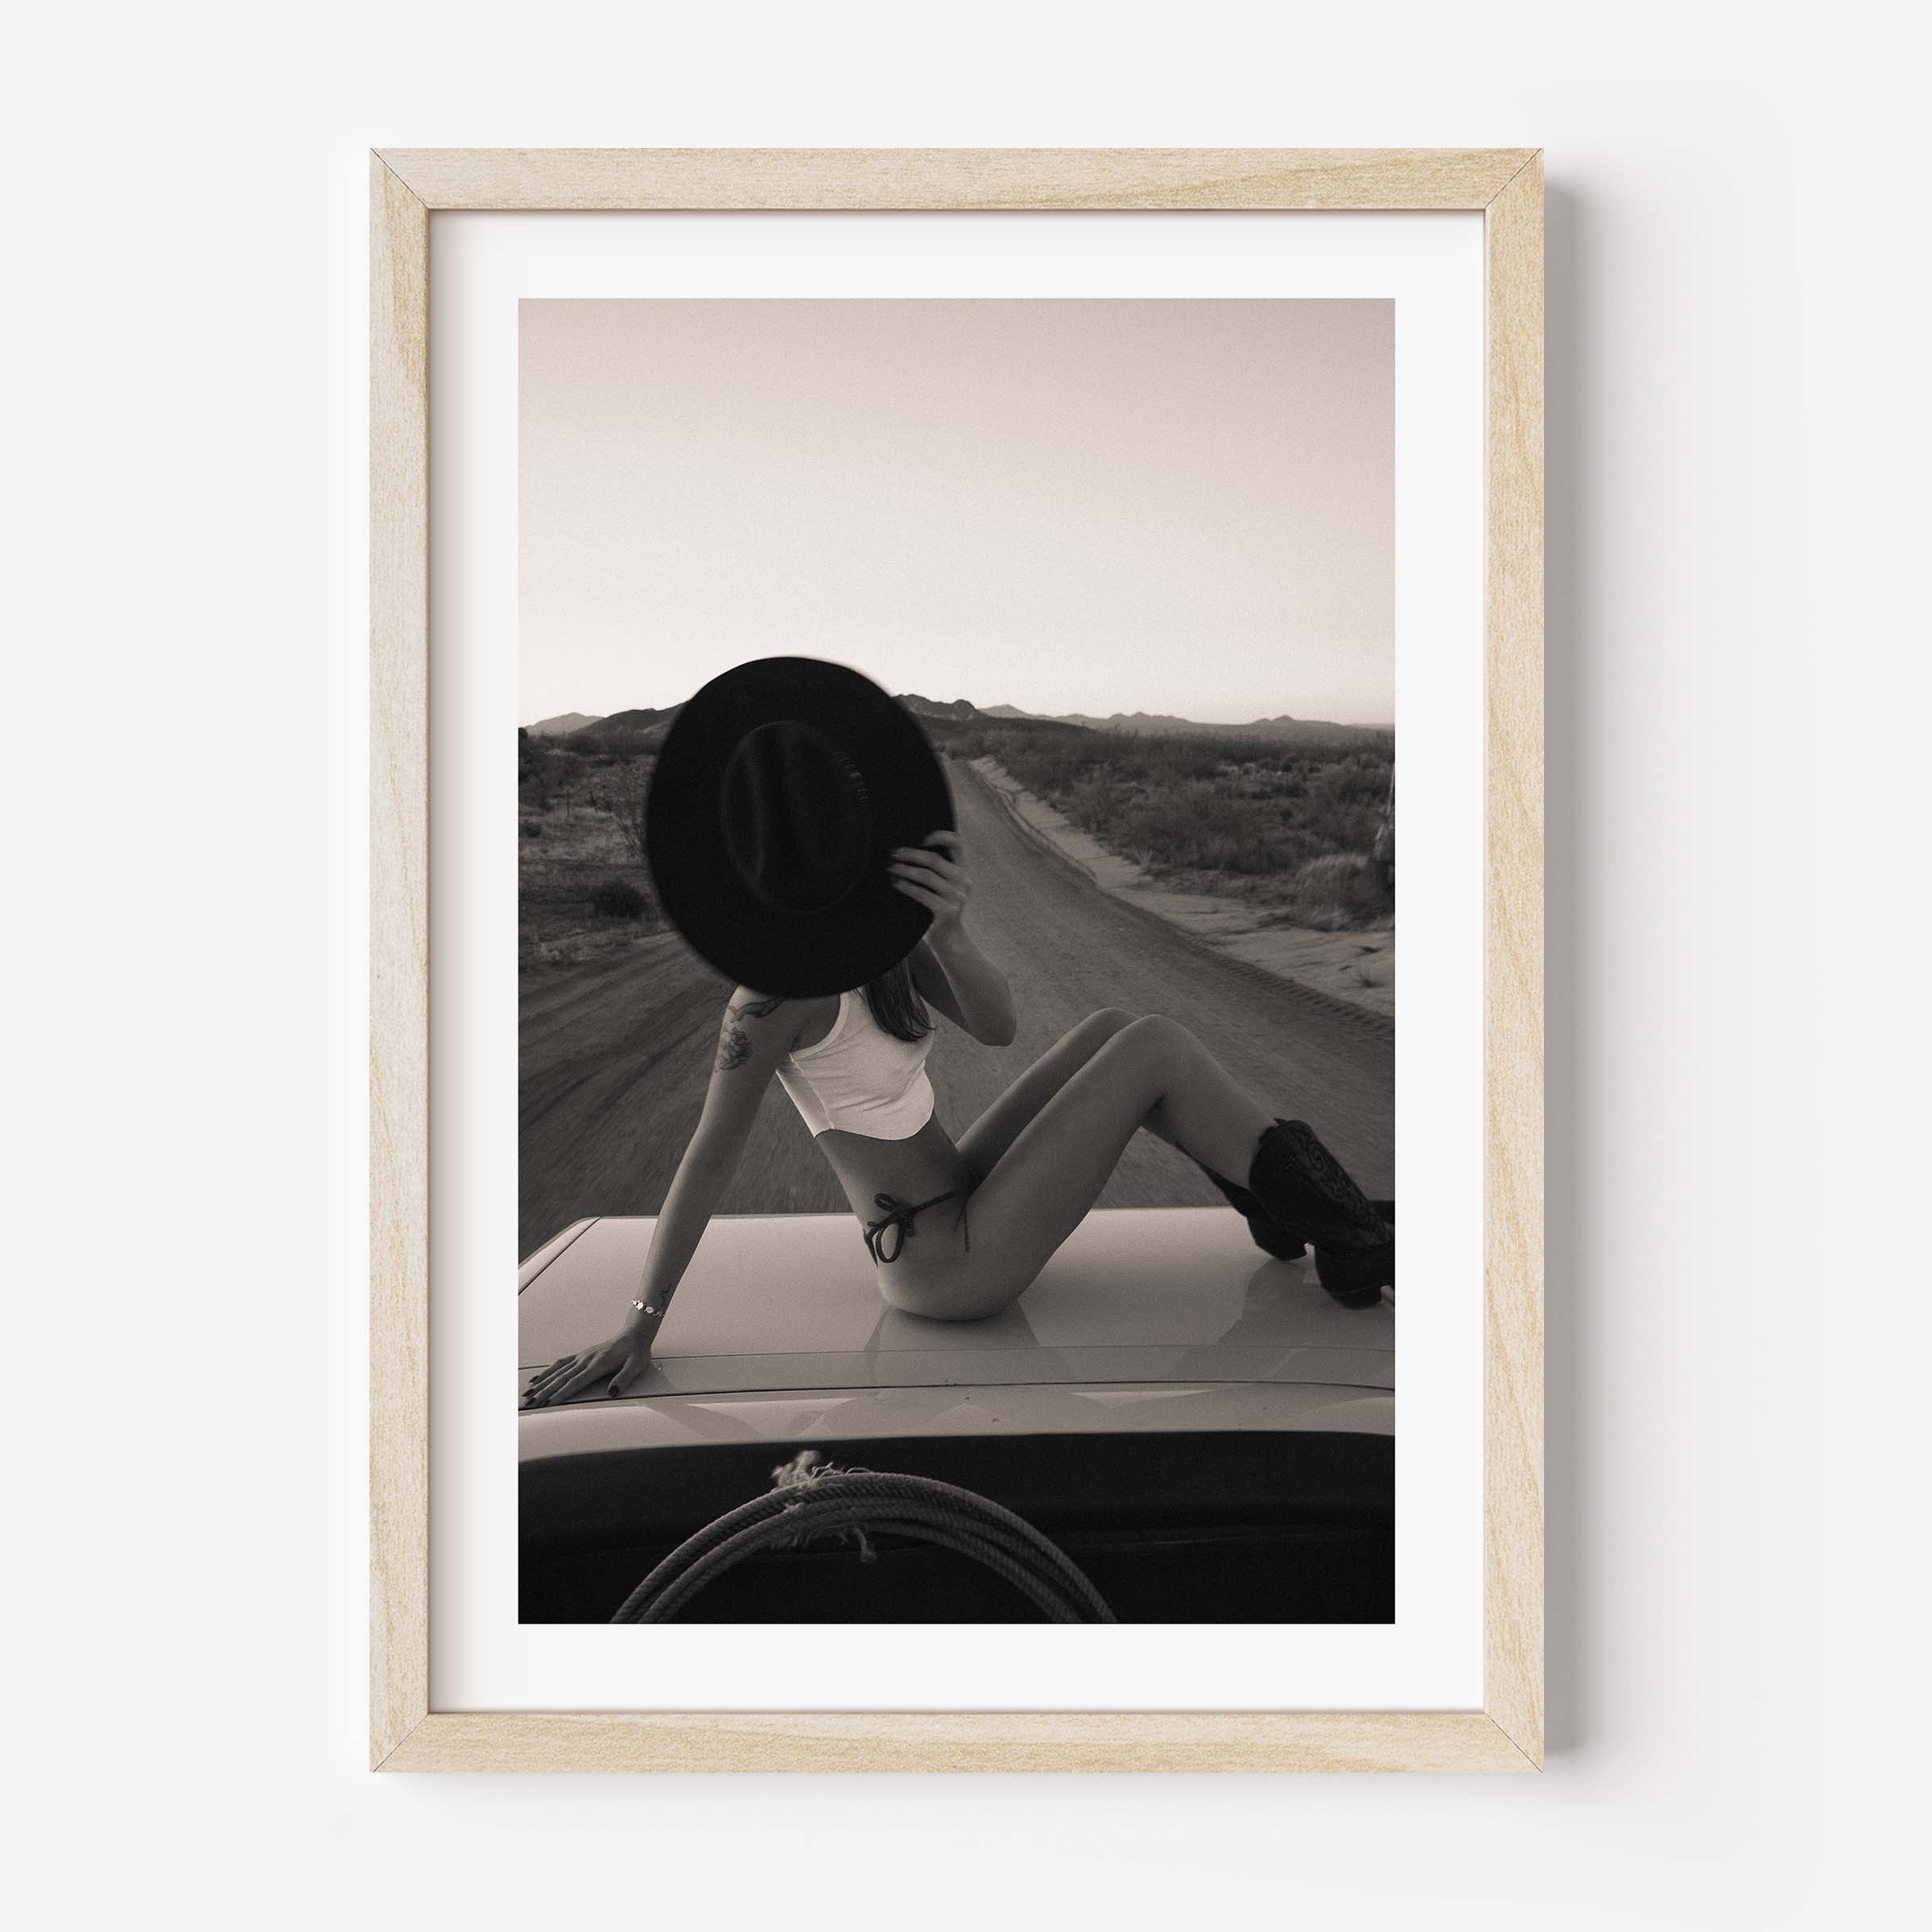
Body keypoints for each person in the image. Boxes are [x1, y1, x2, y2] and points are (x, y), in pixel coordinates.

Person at [522, 659, 1393, 1410]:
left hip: (962, 1193)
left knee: (1113, 1027)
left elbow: (1000, 1025)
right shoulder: (771, 999)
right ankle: (1339, 1227)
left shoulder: (875, 933)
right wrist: (638, 1329)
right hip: (947, 1266)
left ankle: (1290, 1202)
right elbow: (707, 1158)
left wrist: (949, 931)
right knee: (1155, 1044)